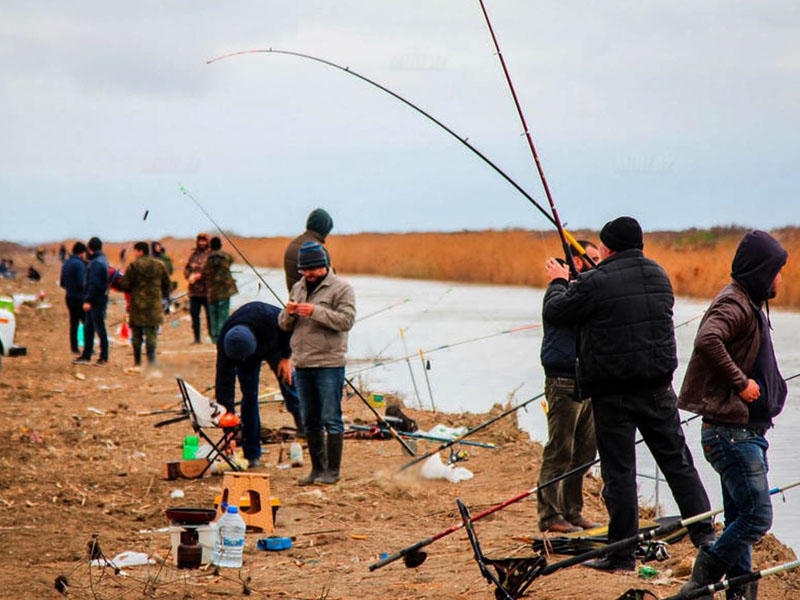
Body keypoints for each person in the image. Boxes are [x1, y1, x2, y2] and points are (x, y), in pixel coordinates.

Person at [542, 216, 714, 572]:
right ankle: (706, 536)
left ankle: (622, 556)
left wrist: (559, 283)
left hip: (613, 394)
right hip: (658, 389)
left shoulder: (595, 280)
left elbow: (557, 311)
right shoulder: (659, 275)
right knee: (678, 464)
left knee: (620, 473)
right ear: (640, 245)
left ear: (606, 247)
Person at [678, 231, 788, 600]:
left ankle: (740, 593)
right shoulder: (735, 303)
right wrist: (741, 383)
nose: (779, 279)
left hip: (743, 433)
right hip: (733, 436)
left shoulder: (748, 301)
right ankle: (704, 573)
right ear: (761, 270)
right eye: (775, 270)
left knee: (741, 517)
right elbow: (708, 338)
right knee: (758, 518)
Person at [536, 241, 601, 534]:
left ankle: (573, 511)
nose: (599, 263)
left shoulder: (589, 290)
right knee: (560, 450)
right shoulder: (561, 291)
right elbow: (555, 311)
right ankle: (550, 515)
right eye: (593, 258)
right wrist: (560, 280)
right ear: (577, 260)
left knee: (585, 451)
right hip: (563, 379)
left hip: (588, 380)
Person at [278, 241, 356, 485]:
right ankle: (316, 470)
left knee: (331, 417)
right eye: (304, 270)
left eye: (313, 269)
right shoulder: (298, 287)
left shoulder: (342, 289)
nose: (308, 274)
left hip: (329, 363)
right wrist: (289, 312)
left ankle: (332, 472)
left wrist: (314, 312)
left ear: (325, 266)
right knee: (309, 419)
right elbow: (282, 324)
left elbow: (346, 321)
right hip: (302, 363)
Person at [215, 302, 302, 469]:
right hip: (247, 355)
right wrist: (228, 432)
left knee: (289, 384)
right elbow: (224, 386)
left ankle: (304, 425)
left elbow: (289, 326)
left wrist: (286, 357)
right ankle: (252, 453)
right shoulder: (225, 343)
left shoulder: (268, 316)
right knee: (249, 397)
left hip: (274, 344)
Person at [117, 242, 171, 369]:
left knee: (137, 335)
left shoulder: (134, 266)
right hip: (154, 305)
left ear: (140, 251)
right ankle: (151, 361)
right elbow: (167, 284)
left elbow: (124, 285)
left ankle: (137, 362)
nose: (135, 254)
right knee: (151, 334)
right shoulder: (159, 265)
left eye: (136, 251)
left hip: (137, 306)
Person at [74, 237, 110, 366]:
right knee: (88, 328)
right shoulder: (102, 260)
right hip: (99, 299)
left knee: (99, 329)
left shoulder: (95, 263)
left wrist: (88, 300)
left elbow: (94, 284)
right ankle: (86, 355)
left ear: (90, 249)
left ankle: (103, 357)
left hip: (96, 301)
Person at [284, 208, 334, 293]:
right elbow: (330, 286)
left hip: (294, 300)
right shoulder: (318, 251)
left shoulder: (293, 244)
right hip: (312, 304)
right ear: (324, 229)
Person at [204, 236, 238, 342]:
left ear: (211, 246)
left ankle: (215, 337)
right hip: (225, 290)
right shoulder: (226, 256)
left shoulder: (208, 258)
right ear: (220, 245)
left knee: (213, 314)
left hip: (212, 290)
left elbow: (205, 272)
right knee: (223, 314)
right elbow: (232, 260)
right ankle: (223, 335)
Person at [60, 242, 88, 355]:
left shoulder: (66, 263)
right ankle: (88, 347)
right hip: (79, 298)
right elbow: (82, 283)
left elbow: (62, 283)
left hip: (69, 297)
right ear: (82, 253)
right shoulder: (79, 264)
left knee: (74, 323)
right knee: (86, 323)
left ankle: (74, 347)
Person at [183, 232, 211, 343]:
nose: (202, 243)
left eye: (204, 241)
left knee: (209, 316)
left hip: (207, 291)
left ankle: (212, 336)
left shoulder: (211, 254)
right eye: (200, 241)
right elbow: (187, 268)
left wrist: (200, 276)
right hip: (194, 292)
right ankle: (197, 338)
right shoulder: (194, 255)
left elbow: (211, 270)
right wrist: (189, 276)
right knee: (194, 315)